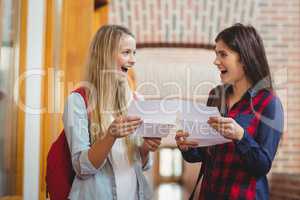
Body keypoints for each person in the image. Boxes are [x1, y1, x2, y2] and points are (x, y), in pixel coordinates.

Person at [175, 23, 284, 200]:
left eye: (223, 54)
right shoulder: (216, 95)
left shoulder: (268, 102)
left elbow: (262, 165)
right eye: (216, 54)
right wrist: (187, 147)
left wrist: (241, 136)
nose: (216, 61)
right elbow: (205, 154)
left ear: (245, 58)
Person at [63, 25, 161, 200]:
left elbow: (143, 166)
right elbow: (82, 168)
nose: (133, 60)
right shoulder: (78, 101)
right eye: (126, 52)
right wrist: (111, 135)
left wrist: (146, 148)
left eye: (134, 53)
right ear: (105, 55)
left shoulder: (137, 100)